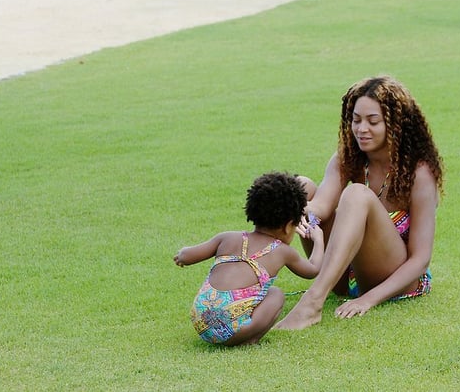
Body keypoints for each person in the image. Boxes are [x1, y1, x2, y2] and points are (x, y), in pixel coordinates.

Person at [275, 75, 444, 330]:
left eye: (373, 121)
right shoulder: (347, 158)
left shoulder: (419, 173)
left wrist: (368, 300)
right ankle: (254, 277)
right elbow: (321, 205)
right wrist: (300, 210)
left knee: (356, 194)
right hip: (347, 276)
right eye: (356, 120)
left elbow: (420, 260)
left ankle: (312, 303)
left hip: (396, 277)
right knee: (301, 188)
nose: (361, 129)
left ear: (396, 123)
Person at [174, 172, 324, 345]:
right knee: (276, 295)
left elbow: (186, 256)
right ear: (287, 225)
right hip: (233, 331)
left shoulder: (227, 237)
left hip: (201, 320)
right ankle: (250, 337)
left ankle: (231, 333)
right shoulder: (283, 251)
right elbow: (312, 270)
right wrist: (318, 240)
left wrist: (182, 255)